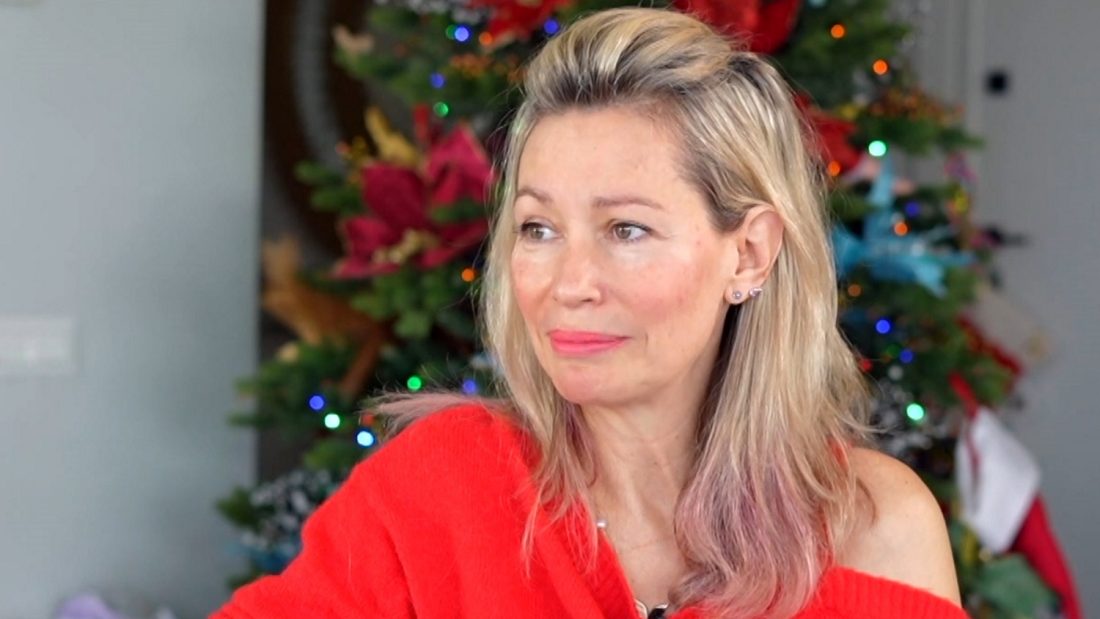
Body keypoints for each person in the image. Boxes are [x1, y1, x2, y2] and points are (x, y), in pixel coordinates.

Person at [213, 7, 964, 619]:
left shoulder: (874, 528)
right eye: (539, 228)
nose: (569, 283)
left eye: (626, 229)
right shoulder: (440, 487)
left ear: (748, 253)